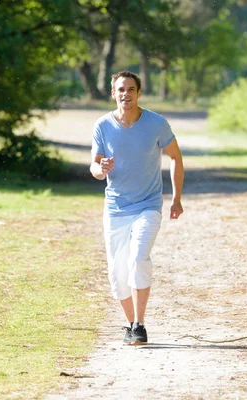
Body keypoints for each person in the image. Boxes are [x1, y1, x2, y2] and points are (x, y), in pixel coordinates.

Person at [90, 70, 184, 345]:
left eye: (131, 89)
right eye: (121, 89)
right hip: (116, 208)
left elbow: (175, 157)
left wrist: (176, 198)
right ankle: (130, 323)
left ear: (139, 93)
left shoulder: (156, 123)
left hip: (148, 204)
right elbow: (94, 166)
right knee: (116, 274)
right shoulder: (103, 125)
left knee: (139, 257)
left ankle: (140, 324)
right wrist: (101, 168)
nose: (126, 94)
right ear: (113, 93)